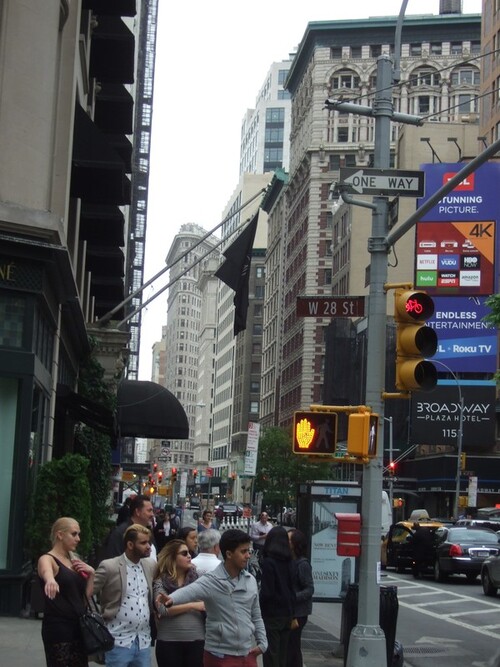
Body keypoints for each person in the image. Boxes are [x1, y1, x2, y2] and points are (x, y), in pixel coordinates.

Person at [155, 528, 268, 667]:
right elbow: (190, 591)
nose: (248, 555)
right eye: (243, 551)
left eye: (249, 551)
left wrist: (263, 643)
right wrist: (171, 599)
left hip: (247, 654)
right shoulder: (212, 580)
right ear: (229, 554)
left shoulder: (250, 580)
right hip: (220, 655)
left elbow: (256, 615)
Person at [93, 524, 156, 667]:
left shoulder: (149, 565)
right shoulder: (110, 566)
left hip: (143, 641)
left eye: (149, 542)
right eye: (143, 543)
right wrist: (96, 619)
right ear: (130, 544)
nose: (149, 547)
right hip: (118, 640)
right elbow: (88, 593)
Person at [37, 517, 96, 667]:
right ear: (60, 535)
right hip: (59, 627)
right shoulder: (48, 558)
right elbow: (46, 571)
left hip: (79, 626)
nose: (78, 539)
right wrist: (50, 580)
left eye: (78, 534)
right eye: (74, 534)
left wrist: (92, 575)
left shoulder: (74, 560)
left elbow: (85, 597)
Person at [153, 540, 205, 667]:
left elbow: (207, 605)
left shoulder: (199, 578)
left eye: (189, 553)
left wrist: (175, 605)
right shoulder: (161, 580)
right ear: (172, 557)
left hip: (196, 640)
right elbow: (163, 609)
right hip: (168, 641)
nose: (189, 556)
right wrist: (193, 605)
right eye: (184, 553)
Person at [259, 526, 296, 667]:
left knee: (271, 653)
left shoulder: (269, 563)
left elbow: (267, 592)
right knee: (282, 653)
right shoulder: (290, 561)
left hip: (272, 614)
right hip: (287, 613)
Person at [100, 495, 157, 562]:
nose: (152, 514)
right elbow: (113, 561)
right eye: (149, 511)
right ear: (137, 512)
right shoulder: (120, 533)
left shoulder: (149, 533)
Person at [286, 529, 314, 667]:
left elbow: (309, 589)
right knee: (290, 645)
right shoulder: (290, 561)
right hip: (291, 610)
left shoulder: (302, 564)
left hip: (299, 612)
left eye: (289, 540)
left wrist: (293, 597)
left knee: (293, 645)